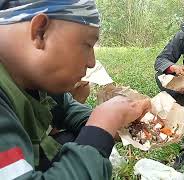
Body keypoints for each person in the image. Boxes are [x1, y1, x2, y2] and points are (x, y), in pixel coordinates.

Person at [0, 1, 150, 179]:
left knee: (70, 139)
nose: (91, 62)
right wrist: (101, 127)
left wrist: (115, 124)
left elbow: (66, 108)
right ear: (40, 32)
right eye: (87, 45)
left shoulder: (33, 80)